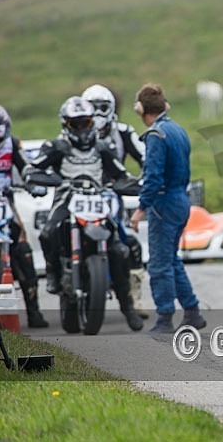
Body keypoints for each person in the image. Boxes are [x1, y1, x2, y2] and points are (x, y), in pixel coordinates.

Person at [24, 96, 143, 331]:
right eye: (75, 124)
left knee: (119, 247)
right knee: (47, 233)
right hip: (66, 200)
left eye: (85, 123)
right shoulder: (56, 147)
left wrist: (131, 184)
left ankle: (127, 306)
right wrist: (46, 179)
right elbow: (32, 168)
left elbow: (120, 174)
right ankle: (53, 276)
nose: (81, 129)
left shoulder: (103, 148)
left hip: (97, 200)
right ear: (66, 125)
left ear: (92, 122)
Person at [130, 83, 206, 334]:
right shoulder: (177, 129)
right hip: (181, 200)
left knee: (159, 264)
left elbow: (152, 177)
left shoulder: (156, 135)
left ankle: (164, 318)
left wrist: (142, 208)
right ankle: (192, 311)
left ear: (141, 110)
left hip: (163, 203)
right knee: (172, 260)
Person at [82, 83, 149, 319]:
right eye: (92, 107)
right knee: (52, 229)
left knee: (127, 241)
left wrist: (143, 183)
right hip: (79, 195)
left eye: (103, 107)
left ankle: (133, 298)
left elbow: (145, 158)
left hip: (111, 194)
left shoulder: (123, 132)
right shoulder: (72, 131)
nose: (98, 113)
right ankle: (58, 275)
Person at [0, 106, 49, 328]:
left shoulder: (13, 144)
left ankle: (34, 311)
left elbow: (26, 168)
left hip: (6, 203)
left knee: (23, 250)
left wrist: (33, 184)